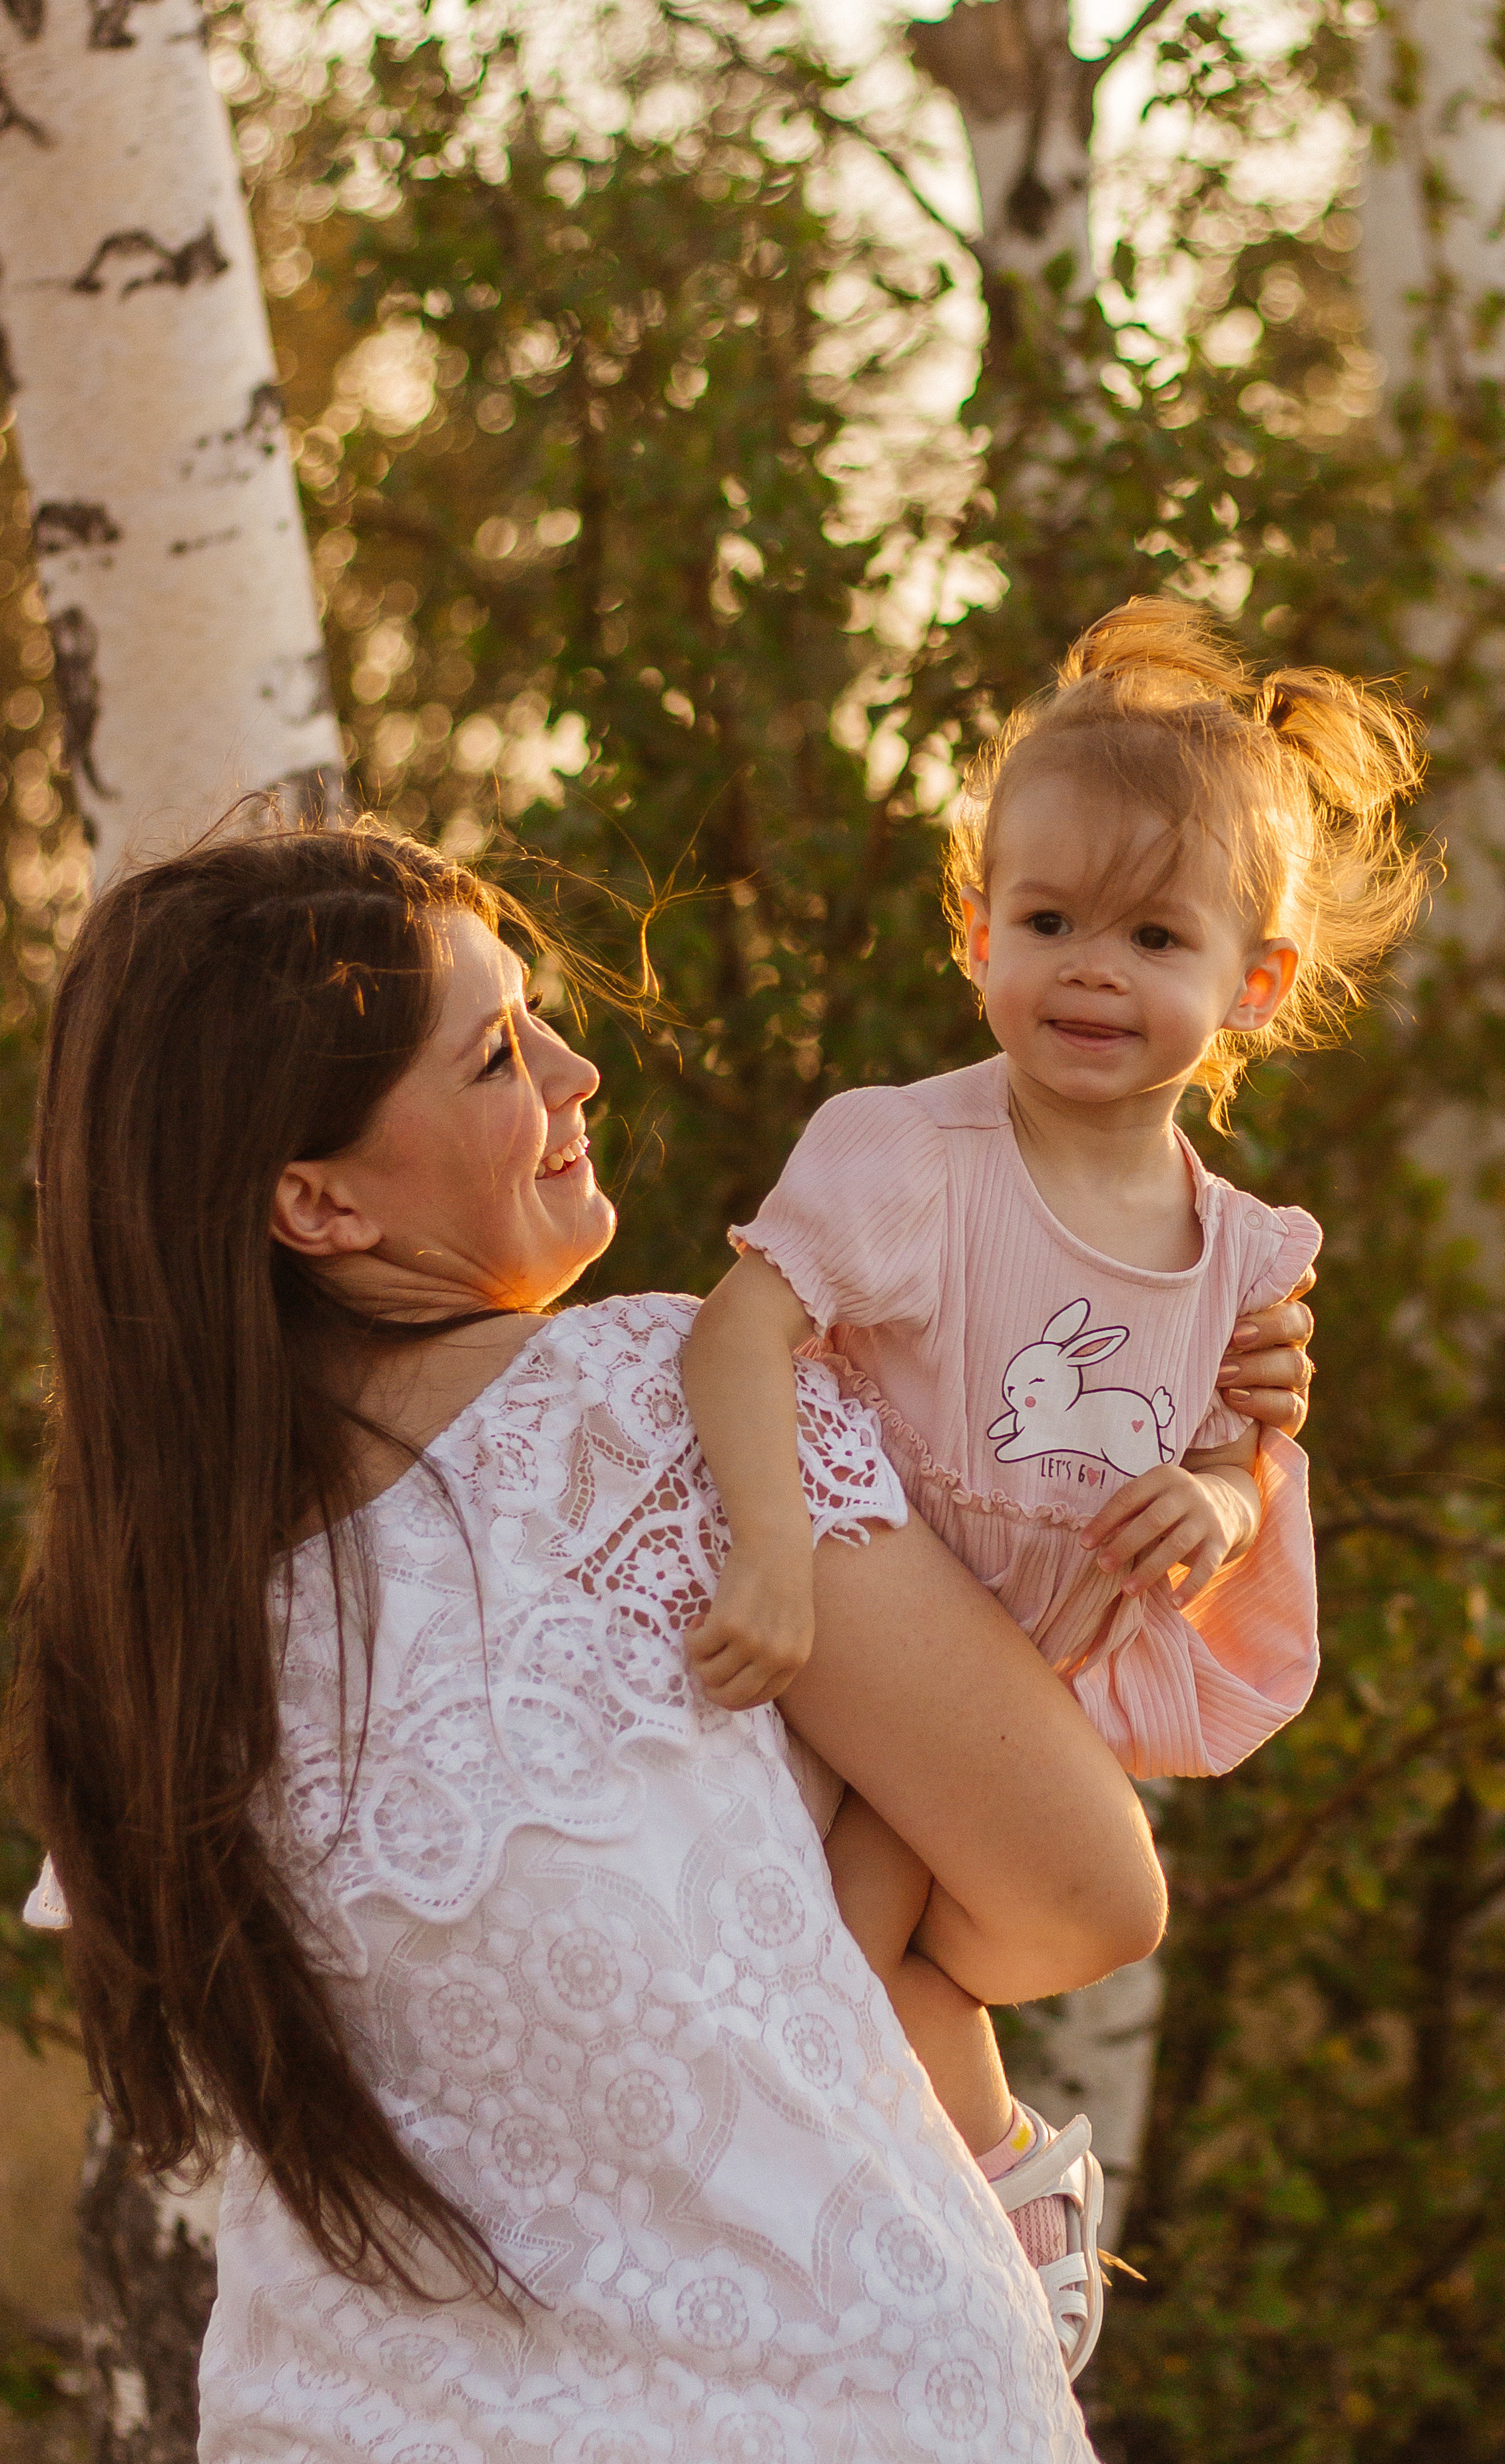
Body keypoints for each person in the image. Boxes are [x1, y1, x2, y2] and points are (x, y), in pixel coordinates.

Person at [13, 822, 1311, 2461]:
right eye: (495, 1054)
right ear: (315, 1199)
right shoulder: (647, 1407)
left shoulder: (133, 1630)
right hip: (832, 2403)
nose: (574, 1068)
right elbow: (1085, 1892)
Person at [681, 598, 1428, 2368]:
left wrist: (1224, 1505)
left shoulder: (1244, 1244)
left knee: (888, 1968)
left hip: (1040, 1675)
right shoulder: (911, 1155)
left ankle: (984, 2182)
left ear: (1253, 983)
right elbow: (732, 1338)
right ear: (975, 931)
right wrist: (777, 1568)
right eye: (1045, 920)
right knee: (831, 1964)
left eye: (1150, 934)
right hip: (874, 1643)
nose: (1088, 966)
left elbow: (1231, 1448)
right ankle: (971, 2216)